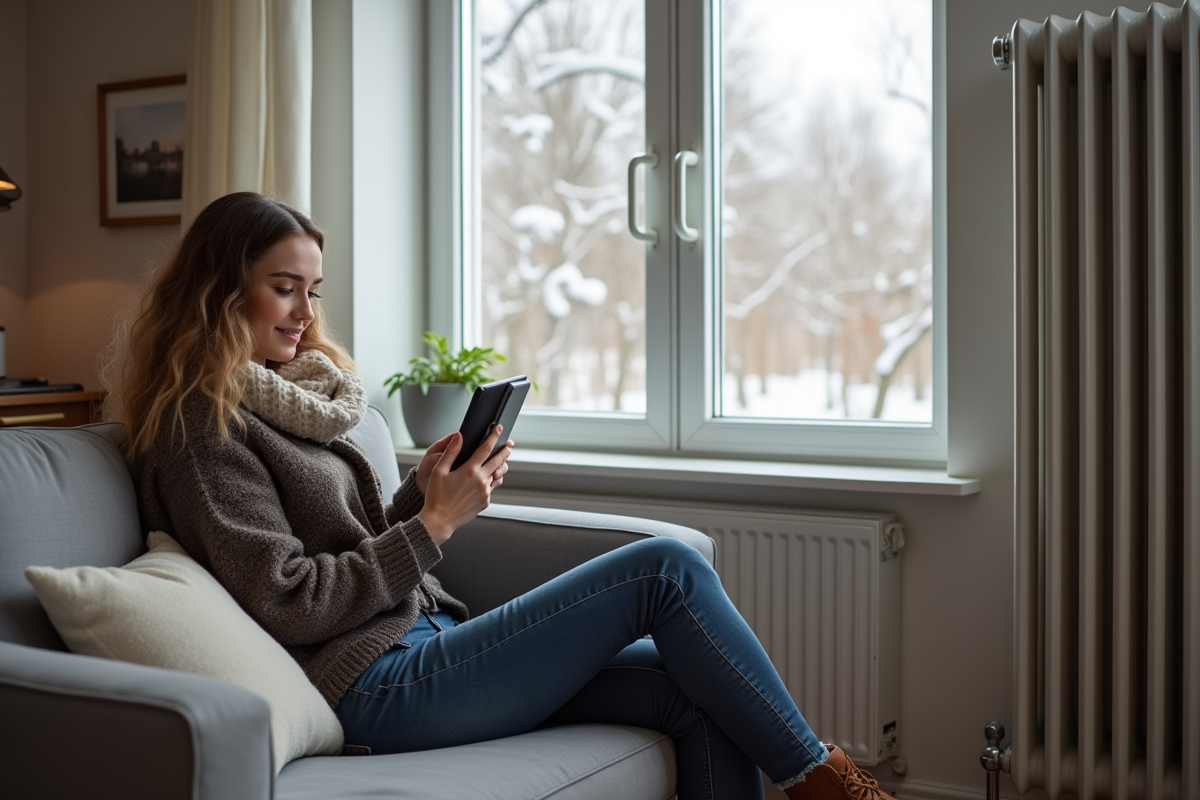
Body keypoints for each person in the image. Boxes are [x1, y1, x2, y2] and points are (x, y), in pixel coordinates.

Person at [106, 191, 895, 800]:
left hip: (418, 640)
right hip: (371, 688)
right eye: (285, 289)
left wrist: (418, 497)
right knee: (661, 569)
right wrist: (437, 526)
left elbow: (341, 550)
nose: (307, 315)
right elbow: (290, 601)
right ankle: (826, 782)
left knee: (690, 686)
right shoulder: (200, 432)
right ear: (217, 292)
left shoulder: (287, 399)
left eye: (313, 290)